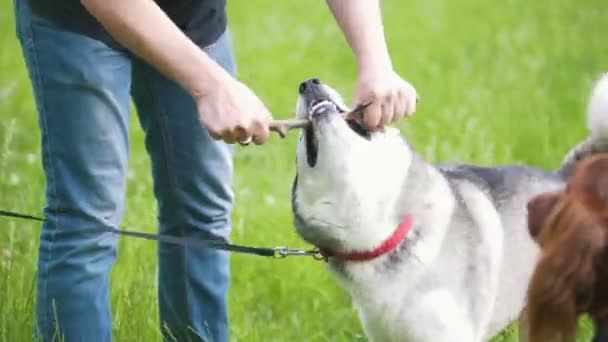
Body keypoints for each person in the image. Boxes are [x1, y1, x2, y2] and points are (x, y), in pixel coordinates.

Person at [13, 0, 418, 340]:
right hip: (76, 22)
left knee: (202, 216)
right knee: (88, 223)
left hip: (193, 18)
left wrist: (374, 58)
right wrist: (210, 86)